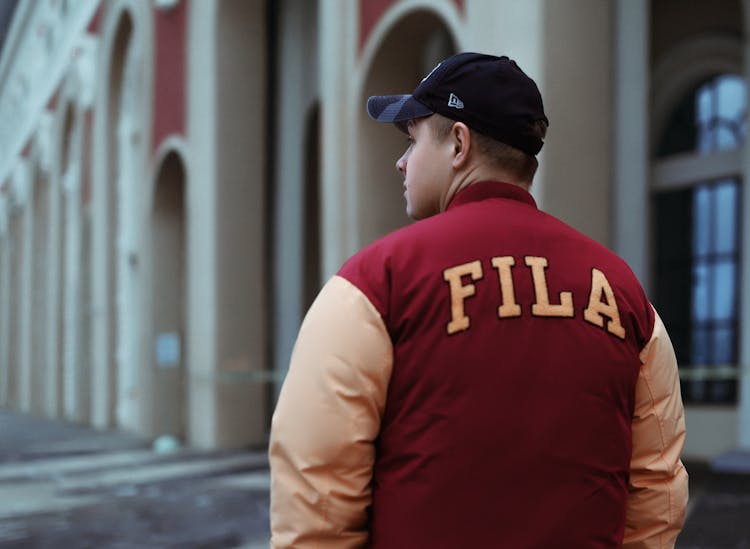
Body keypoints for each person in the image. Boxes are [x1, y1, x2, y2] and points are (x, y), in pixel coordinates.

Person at [269, 52, 688, 548]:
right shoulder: (623, 294)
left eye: (413, 139)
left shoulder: (374, 284)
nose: (401, 162)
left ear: (459, 144)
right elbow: (656, 492)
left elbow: (317, 494)